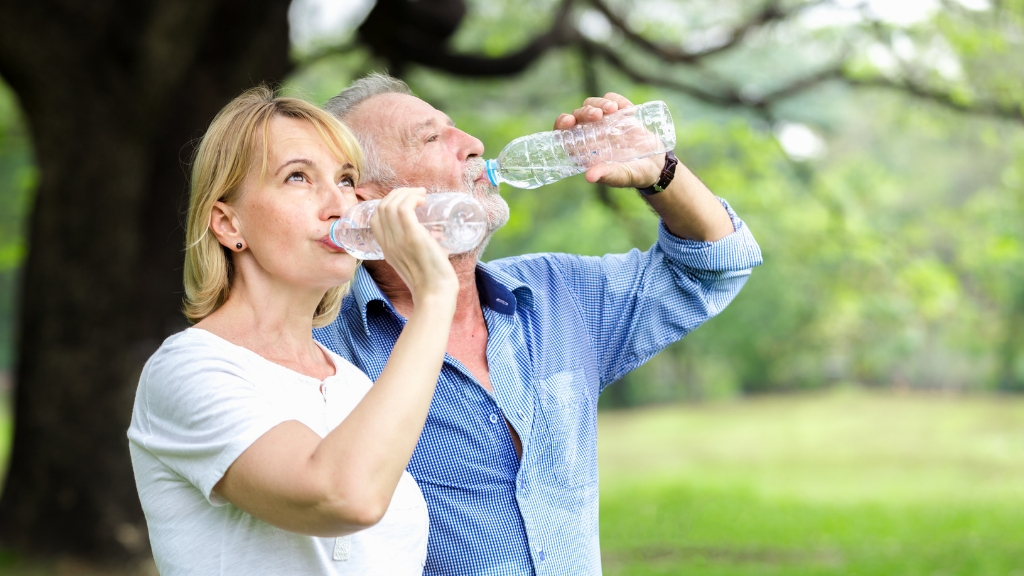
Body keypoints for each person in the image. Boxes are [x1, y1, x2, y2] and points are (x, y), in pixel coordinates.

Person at [315, 73, 763, 575]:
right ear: (366, 199)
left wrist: (660, 171)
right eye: (432, 138)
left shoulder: (556, 293)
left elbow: (718, 263)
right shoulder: (320, 349)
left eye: (456, 127)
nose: (473, 145)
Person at [127, 86, 461, 575]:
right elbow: (344, 497)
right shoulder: (187, 370)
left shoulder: (351, 382)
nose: (338, 205)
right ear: (227, 223)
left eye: (346, 180)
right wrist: (433, 297)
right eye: (299, 177)